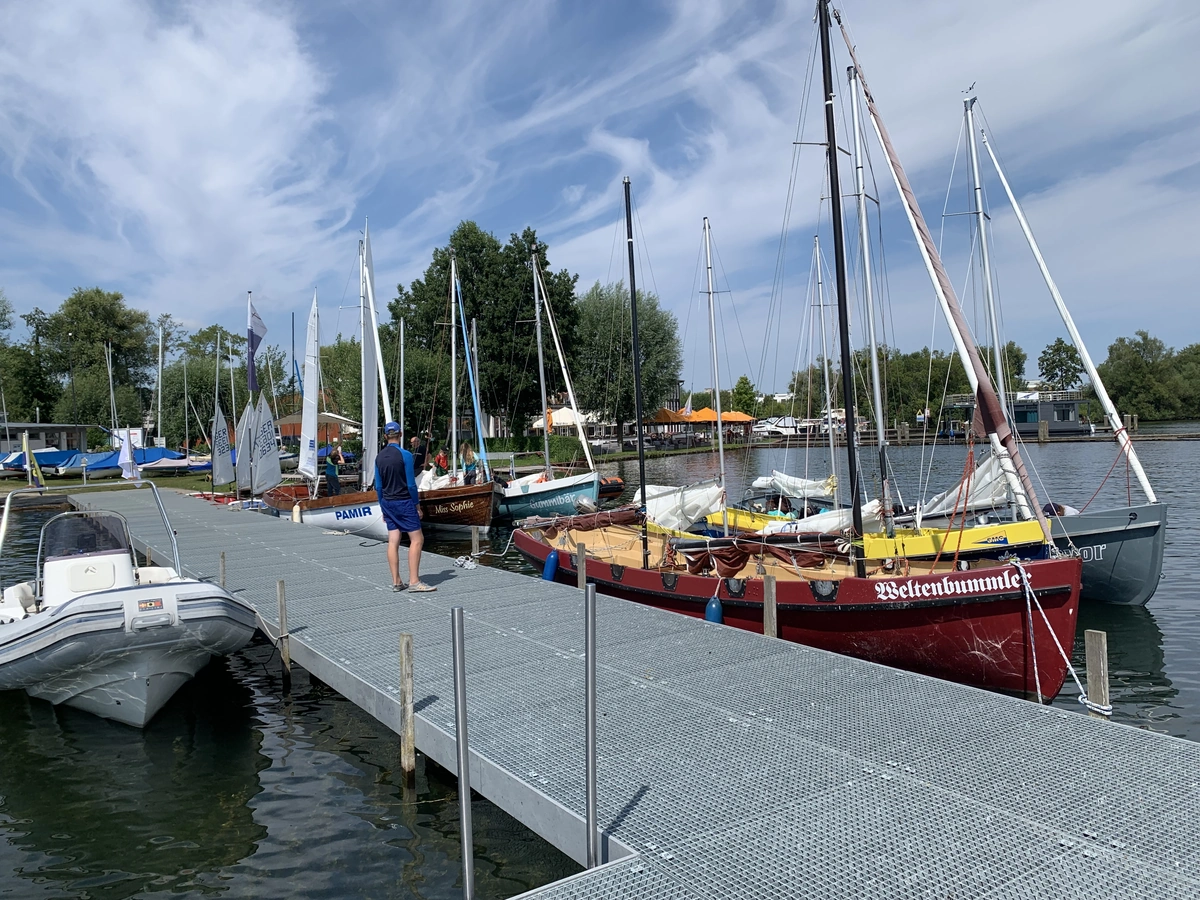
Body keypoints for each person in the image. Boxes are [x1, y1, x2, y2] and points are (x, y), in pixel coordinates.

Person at [375, 422, 433, 592]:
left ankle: (396, 581)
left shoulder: (378, 457)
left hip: (387, 501)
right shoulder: (405, 455)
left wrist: (382, 507)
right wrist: (417, 505)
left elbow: (378, 486)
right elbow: (410, 485)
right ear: (400, 434)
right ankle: (414, 581)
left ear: (385, 436)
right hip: (403, 501)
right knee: (417, 539)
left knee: (393, 540)